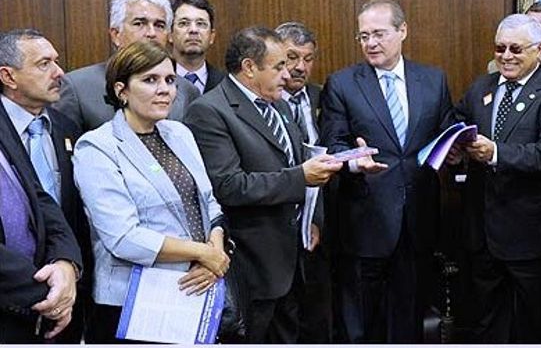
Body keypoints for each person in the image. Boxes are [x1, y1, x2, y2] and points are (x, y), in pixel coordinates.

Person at [184, 26, 342, 343]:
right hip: (251, 265)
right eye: (279, 66)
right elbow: (229, 185)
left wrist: (313, 218)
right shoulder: (209, 111)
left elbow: (299, 162)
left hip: (293, 261)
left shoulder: (280, 106)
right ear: (250, 67)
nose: (287, 75)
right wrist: (301, 178)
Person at [72, 41, 229, 343]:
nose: (165, 89)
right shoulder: (97, 147)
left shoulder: (179, 133)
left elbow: (209, 201)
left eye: (170, 80)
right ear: (121, 91)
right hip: (131, 302)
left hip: (194, 288)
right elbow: (122, 237)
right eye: (150, 80)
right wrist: (203, 253)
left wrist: (216, 251)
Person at [320, 0, 454, 343]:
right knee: (362, 323)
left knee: (409, 317)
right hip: (365, 220)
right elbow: (332, 144)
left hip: (417, 220)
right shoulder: (343, 83)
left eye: (378, 34)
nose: (371, 43)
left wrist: (456, 149)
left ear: (403, 31)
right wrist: (352, 162)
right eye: (363, 36)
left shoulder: (433, 80)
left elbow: (446, 132)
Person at [456, 13, 541, 343]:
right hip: (482, 235)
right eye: (499, 48)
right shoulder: (480, 87)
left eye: (515, 49)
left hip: (532, 239)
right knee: (485, 325)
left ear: (540, 50)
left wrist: (496, 153)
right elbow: (457, 124)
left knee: (535, 327)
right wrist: (452, 148)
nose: (506, 56)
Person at [0, 29, 92, 343]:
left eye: (56, 61)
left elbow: (47, 205)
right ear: (8, 77)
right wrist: (49, 288)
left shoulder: (66, 127)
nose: (59, 72)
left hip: (61, 300)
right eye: (44, 64)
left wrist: (67, 265)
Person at [55, 0, 199, 132]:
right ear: (116, 34)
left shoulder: (187, 91)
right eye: (139, 24)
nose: (151, 33)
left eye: (159, 25)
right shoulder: (78, 88)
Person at [276, 21, 331, 342]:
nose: (299, 67)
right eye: (291, 57)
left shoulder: (324, 96)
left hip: (322, 226)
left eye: (307, 59)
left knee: (317, 316)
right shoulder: (264, 101)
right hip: (275, 225)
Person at [169, 0, 226, 94]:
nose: (193, 30)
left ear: (212, 37)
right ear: (170, 34)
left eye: (201, 24)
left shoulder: (226, 85)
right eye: (184, 23)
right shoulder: (156, 80)